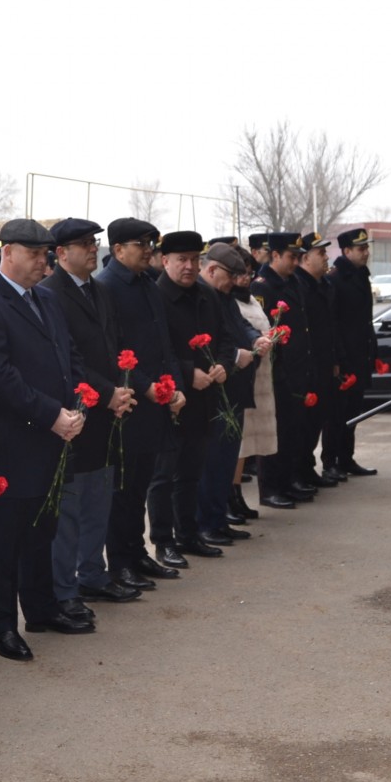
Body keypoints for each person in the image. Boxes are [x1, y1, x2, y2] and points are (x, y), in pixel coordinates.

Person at [0, 218, 86, 657]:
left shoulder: (47, 299)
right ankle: (2, 626)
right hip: (13, 439)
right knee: (6, 540)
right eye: (34, 254)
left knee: (43, 529)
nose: (42, 261)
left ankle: (41, 608)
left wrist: (75, 406)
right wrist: (52, 414)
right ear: (7, 252)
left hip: (54, 433)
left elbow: (65, 356)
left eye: (45, 254)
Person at [42, 218, 142, 622]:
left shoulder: (98, 289)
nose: (91, 249)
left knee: (99, 497)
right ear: (61, 253)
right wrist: (107, 392)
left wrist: (122, 387)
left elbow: (114, 346)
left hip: (106, 409)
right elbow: (69, 359)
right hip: (75, 411)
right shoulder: (51, 294)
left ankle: (93, 574)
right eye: (82, 244)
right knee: (70, 506)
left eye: (92, 242)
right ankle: (65, 588)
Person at [151, 231, 254, 561]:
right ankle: (164, 542)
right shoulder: (156, 297)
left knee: (193, 472)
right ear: (165, 261)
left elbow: (226, 337)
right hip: (173, 399)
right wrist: (185, 373)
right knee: (165, 475)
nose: (189, 266)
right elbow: (153, 349)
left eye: (195, 259)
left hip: (207, 396)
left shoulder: (206, 296)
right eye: (182, 260)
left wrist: (224, 364)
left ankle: (189, 534)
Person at [95, 218, 184, 587]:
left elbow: (164, 343)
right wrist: (147, 387)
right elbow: (113, 349)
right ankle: (120, 561)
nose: (149, 249)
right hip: (129, 403)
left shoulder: (147, 283)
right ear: (118, 250)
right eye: (141, 244)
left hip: (156, 400)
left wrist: (174, 386)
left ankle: (137, 553)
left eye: (151, 243)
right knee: (124, 488)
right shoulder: (106, 287)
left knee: (142, 482)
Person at [195, 243, 267, 543]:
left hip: (233, 387)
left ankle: (218, 519)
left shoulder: (223, 297)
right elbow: (207, 342)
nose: (238, 282)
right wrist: (236, 356)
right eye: (232, 275)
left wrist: (257, 339)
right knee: (211, 463)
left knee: (226, 460)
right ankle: (206, 524)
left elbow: (239, 326)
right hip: (212, 388)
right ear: (211, 270)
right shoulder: (201, 295)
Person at [250, 233, 316, 509]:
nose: (296, 262)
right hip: (277, 369)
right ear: (275, 255)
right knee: (275, 431)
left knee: (293, 429)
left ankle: (288, 481)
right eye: (291, 257)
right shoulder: (263, 287)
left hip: (297, 368)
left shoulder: (293, 281)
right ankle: (271, 487)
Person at [325, 228, 380, 479]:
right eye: (361, 249)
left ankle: (346, 458)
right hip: (344, 359)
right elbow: (333, 324)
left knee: (353, 413)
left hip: (360, 357)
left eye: (366, 248)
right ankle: (330, 462)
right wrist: (339, 359)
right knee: (337, 414)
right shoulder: (335, 279)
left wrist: (373, 351)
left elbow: (364, 321)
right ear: (346, 251)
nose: (366, 253)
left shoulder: (360, 276)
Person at [292, 232, 339, 490]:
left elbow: (330, 327)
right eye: (320, 253)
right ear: (305, 258)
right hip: (306, 364)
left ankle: (307, 468)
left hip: (323, 362)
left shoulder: (324, 285)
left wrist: (334, 360)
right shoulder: (300, 285)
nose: (325, 257)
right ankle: (298, 471)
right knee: (303, 422)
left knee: (318, 419)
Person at [231, 245, 274, 523]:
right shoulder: (227, 300)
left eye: (249, 272)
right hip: (239, 374)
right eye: (241, 273)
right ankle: (230, 495)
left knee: (246, 444)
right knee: (238, 443)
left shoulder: (250, 298)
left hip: (259, 374)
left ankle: (235, 496)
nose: (246, 278)